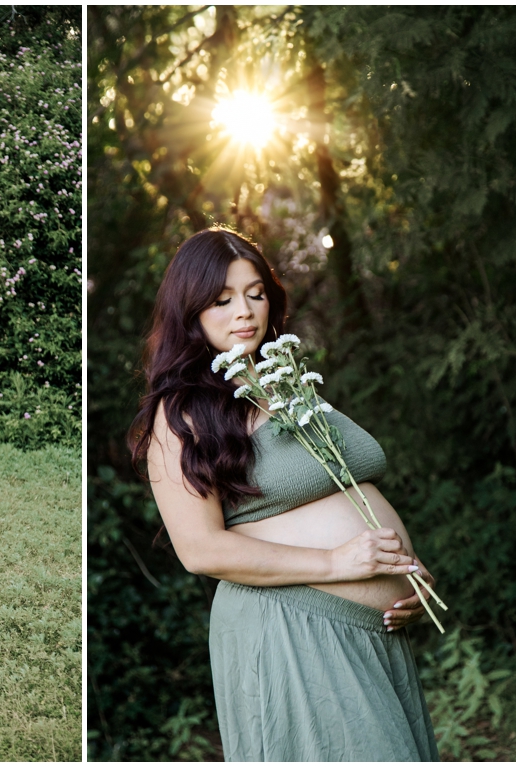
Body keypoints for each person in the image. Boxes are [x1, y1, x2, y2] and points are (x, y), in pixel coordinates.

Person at [129, 227, 439, 761]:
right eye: (222, 300)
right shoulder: (180, 411)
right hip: (292, 629)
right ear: (191, 312)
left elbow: (349, 493)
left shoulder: (285, 384)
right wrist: (340, 560)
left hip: (371, 633)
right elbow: (201, 550)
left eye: (256, 293)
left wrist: (409, 575)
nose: (244, 311)